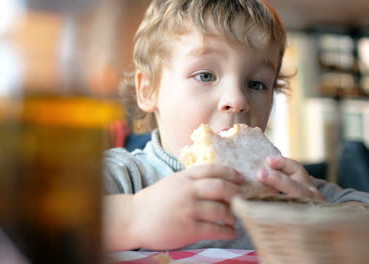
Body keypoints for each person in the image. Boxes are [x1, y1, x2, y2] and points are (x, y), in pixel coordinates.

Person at [103, 0, 369, 252]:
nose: (238, 100)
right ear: (148, 90)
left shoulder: (282, 187)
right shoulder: (126, 175)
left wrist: (323, 217)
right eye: (205, 75)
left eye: (256, 84)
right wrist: (134, 216)